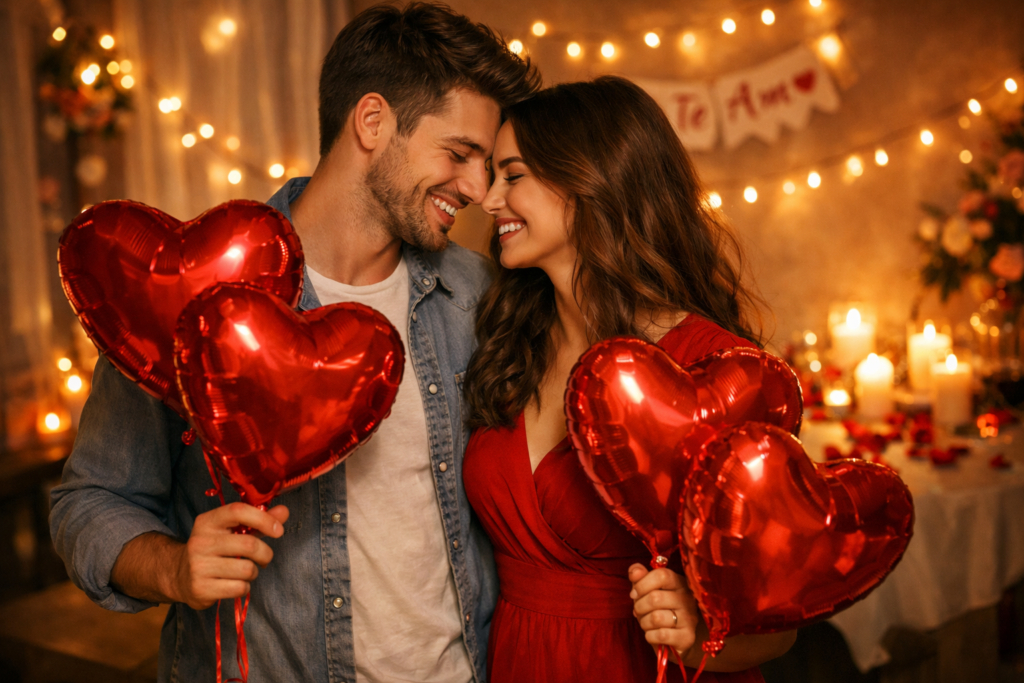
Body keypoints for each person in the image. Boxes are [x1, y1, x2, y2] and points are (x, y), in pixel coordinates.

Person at [50, 4, 540, 682]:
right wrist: (173, 567)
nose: (480, 189)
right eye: (459, 155)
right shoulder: (191, 288)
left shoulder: (478, 293)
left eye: (487, 164)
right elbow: (88, 501)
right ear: (372, 122)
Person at [462, 76, 797, 682]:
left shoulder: (713, 372)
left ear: (589, 179)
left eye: (512, 176)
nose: (488, 200)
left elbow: (779, 630)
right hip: (518, 658)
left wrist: (697, 638)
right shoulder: (507, 341)